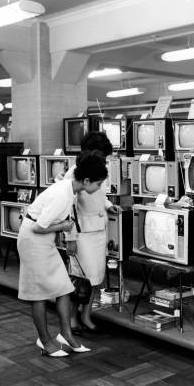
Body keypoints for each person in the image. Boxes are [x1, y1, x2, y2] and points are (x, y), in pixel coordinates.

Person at [17, 150, 108, 357]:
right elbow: (38, 227)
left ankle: (66, 335)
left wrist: (62, 227)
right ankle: (45, 341)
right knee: (39, 296)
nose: (99, 187)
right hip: (33, 241)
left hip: (44, 242)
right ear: (86, 181)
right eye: (98, 184)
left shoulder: (70, 190)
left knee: (64, 288)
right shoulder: (62, 194)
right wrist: (64, 227)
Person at [64, 132, 122, 333]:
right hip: (81, 233)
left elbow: (100, 193)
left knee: (96, 278)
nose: (105, 159)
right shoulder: (74, 172)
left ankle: (86, 315)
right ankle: (72, 318)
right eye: (103, 155)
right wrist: (69, 237)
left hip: (98, 231)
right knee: (80, 279)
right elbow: (67, 207)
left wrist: (108, 205)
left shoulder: (99, 169)